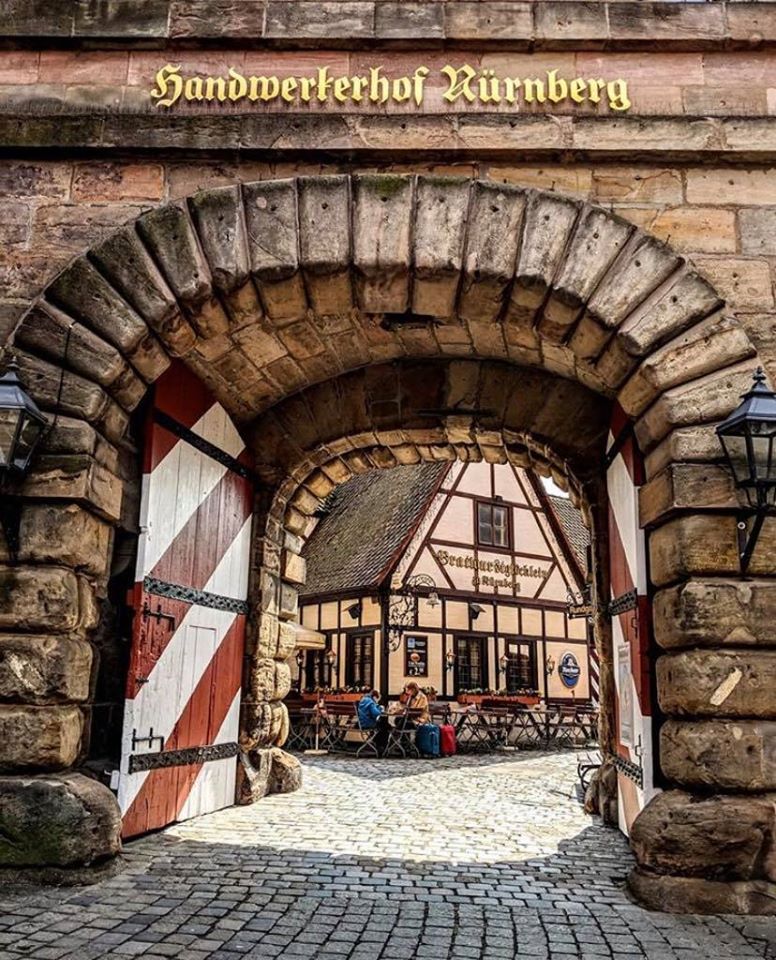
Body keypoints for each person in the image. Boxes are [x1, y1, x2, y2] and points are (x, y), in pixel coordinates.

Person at [357, 689, 390, 756]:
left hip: (361, 723)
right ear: (375, 697)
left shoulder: (364, 700)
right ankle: (382, 746)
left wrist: (377, 706)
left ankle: (377, 744)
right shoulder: (370, 702)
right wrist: (381, 708)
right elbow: (376, 713)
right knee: (385, 726)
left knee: (383, 725)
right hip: (368, 723)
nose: (377, 701)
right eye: (378, 700)